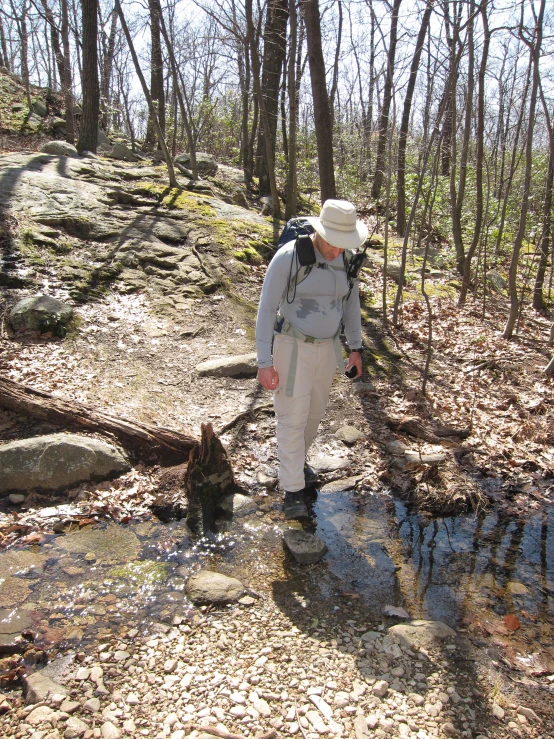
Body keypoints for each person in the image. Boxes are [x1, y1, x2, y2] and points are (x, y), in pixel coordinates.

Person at [255, 199, 367, 519]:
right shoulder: (290, 257)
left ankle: (297, 462)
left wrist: (355, 348)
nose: (336, 250)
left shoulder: (345, 261)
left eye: (343, 244)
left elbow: (351, 307)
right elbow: (265, 309)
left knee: (314, 413)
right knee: (292, 416)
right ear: (319, 232)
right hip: (292, 345)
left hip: (327, 349)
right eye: (333, 243)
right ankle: (292, 492)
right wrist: (265, 361)